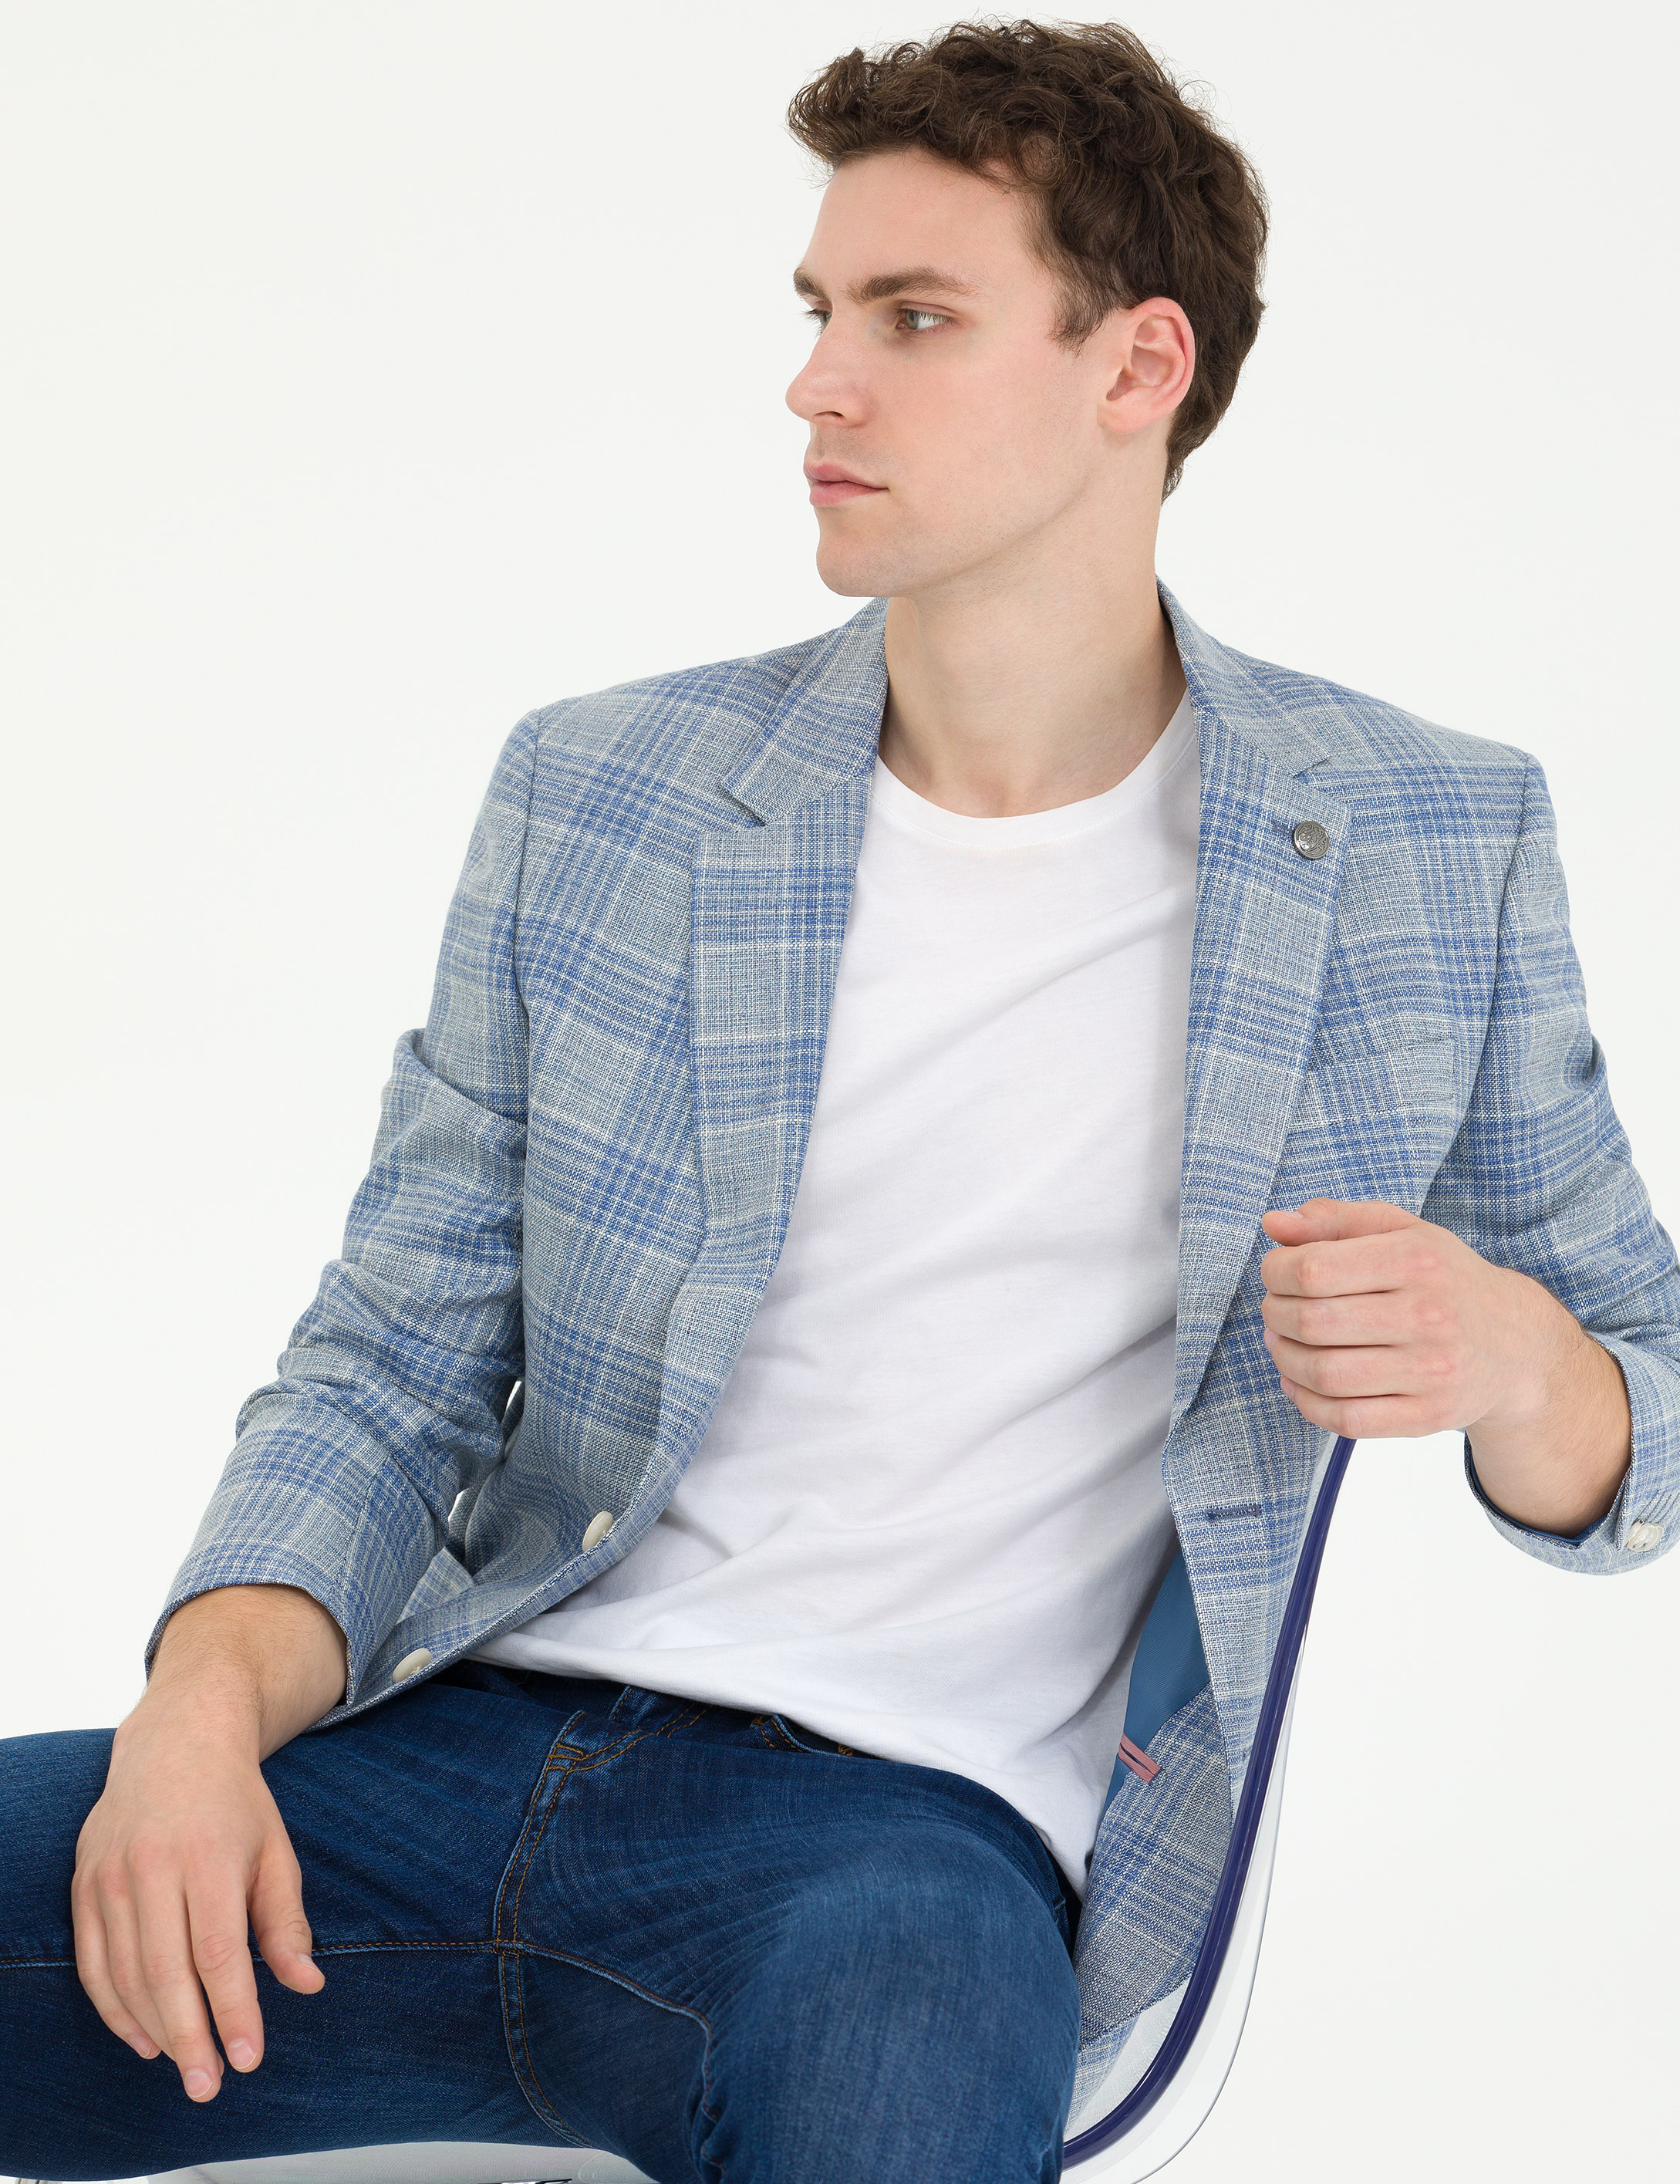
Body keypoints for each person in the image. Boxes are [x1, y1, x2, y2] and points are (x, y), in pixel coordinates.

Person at [4, 18, 1676, 2183]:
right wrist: (197, 1716)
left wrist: (1518, 1360)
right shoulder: (605, 791)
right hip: (435, 1760)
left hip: (893, 1855)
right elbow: (393, 1359)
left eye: (913, 318)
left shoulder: (1421, 841)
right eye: (816, 312)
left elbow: (1646, 1404)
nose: (817, 383)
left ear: (1137, 364)